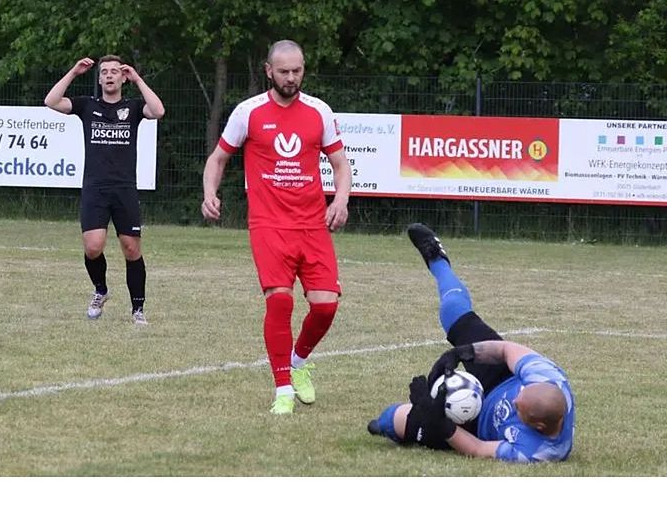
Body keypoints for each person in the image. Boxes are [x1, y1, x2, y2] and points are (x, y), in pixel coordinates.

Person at [201, 40, 352, 415]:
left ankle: (299, 361)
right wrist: (209, 193)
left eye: (297, 70)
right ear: (268, 69)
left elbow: (340, 164)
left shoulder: (319, 111)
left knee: (326, 308)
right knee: (280, 300)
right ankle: (283, 387)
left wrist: (341, 199)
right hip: (268, 224)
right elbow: (219, 158)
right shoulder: (248, 112)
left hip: (313, 225)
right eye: (283, 71)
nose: (291, 77)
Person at [367, 223, 575, 463]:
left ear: (537, 425)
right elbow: (507, 350)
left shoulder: (537, 451)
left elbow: (477, 448)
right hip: (501, 376)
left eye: (519, 407)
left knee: (392, 420)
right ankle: (438, 260)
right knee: (453, 310)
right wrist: (464, 352)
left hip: (476, 428)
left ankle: (393, 423)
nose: (515, 399)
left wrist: (439, 422)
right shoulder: (549, 376)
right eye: (522, 393)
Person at [44, 55, 165, 325]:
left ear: (122, 78)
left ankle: (138, 310)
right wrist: (73, 72)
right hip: (95, 188)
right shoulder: (88, 105)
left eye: (115, 72)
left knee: (131, 249)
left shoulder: (133, 107)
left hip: (124, 189)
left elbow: (158, 111)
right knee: (93, 247)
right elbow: (51, 102)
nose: (110, 76)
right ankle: (100, 291)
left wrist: (138, 79)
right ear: (99, 79)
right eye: (105, 72)